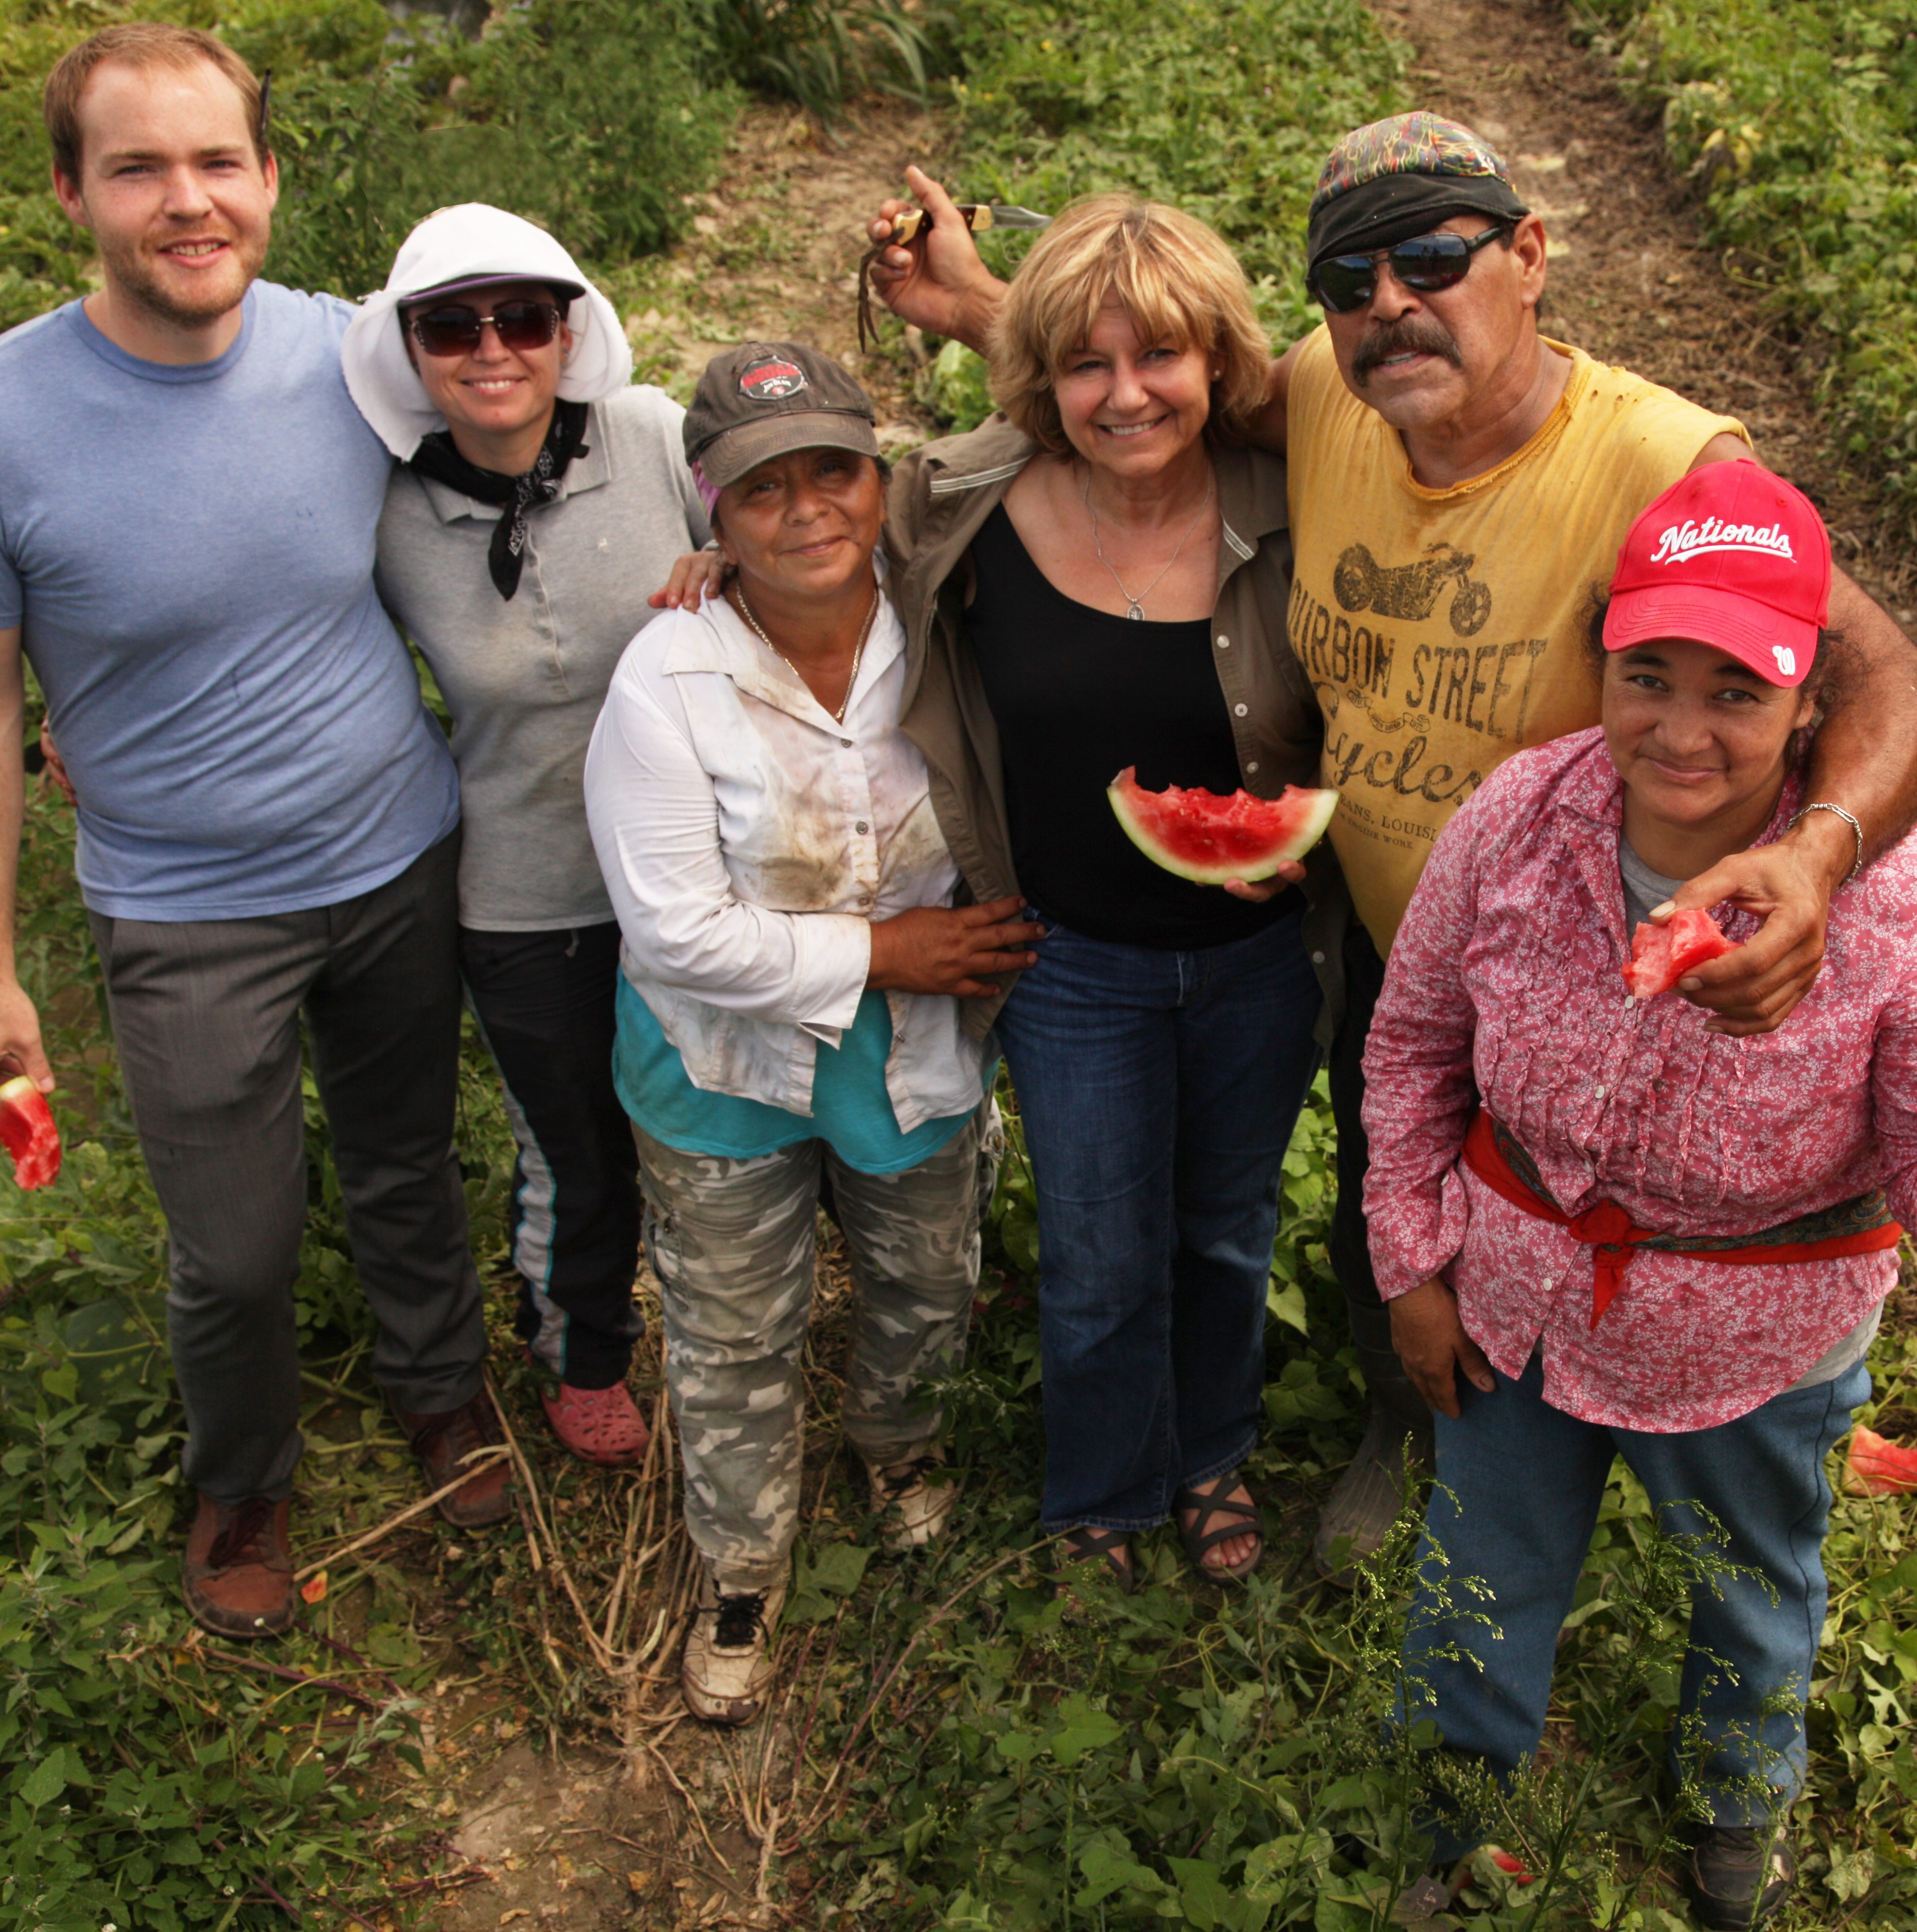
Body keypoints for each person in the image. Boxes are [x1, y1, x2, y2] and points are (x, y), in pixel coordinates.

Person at [861, 111, 1917, 1574]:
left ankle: (1617, 1455)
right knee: (1399, 1198)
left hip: (1582, 951)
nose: (1392, 303)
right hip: (1377, 941)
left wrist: (1816, 860)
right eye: (1350, 281)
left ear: (1528, 256)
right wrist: (986, 303)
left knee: (1569, 1211)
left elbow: (1897, 684)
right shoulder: (1331, 395)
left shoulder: (1662, 459)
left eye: (1433, 258)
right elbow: (1140, 376)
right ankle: (1409, 1415)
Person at [1360, 464, 1917, 1926]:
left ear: (1811, 704)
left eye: (1737, 690)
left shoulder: (1914, 903)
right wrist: (1414, 1264)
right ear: (1599, 659)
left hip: (1757, 1348)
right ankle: (1452, 1813)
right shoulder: (1515, 817)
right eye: (1646, 674)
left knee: (1752, 1587)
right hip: (1518, 1306)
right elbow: (1415, 1042)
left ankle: (1738, 1805)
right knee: (1478, 1582)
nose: (1680, 729)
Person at [0, 24, 504, 1643]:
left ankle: (442, 1392)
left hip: (397, 852)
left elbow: (547, 403)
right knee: (231, 1252)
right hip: (183, 909)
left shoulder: (356, 355)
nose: (188, 202)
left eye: (216, 163)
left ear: (270, 178)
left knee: (403, 1161)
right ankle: (243, 1479)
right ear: (70, 193)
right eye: (139, 168)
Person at [880, 196, 1335, 1588]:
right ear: (1040, 380)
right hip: (1067, 959)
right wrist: (719, 557)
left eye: (1161, 360)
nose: (1126, 395)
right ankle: (1106, 1482)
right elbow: (812, 536)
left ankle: (1210, 1449)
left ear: (1218, 363)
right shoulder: (962, 503)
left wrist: (1312, 837)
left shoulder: (1291, 497)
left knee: (1223, 1226)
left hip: (1258, 963)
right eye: (1087, 365)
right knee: (1093, 1248)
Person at [585, 342, 1042, 1724]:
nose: (804, 512)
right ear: (709, 515)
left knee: (922, 1276)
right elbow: (677, 934)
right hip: (719, 1062)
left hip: (918, 1049)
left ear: (881, 476)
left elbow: (1051, 428)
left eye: (833, 472)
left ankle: (894, 1443)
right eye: (760, 489)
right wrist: (896, 950)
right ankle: (740, 1558)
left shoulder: (950, 612)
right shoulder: (666, 679)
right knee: (731, 1327)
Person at [342, 203, 712, 1468]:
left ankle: (737, 1321)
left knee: (723, 1114)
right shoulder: (386, 514)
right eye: (452, 323)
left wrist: (732, 567)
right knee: (577, 1148)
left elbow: (797, 530)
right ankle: (584, 1346)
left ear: (571, 330)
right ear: (408, 347)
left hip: (700, 867)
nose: (491, 347)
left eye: (524, 318)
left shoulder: (657, 438)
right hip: (523, 890)